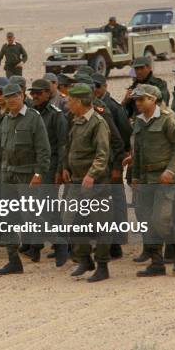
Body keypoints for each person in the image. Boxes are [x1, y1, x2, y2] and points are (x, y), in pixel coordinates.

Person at [129, 84, 175, 277]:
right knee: (145, 219)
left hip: (163, 178)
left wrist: (171, 170)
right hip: (145, 179)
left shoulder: (167, 119)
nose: (138, 103)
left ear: (153, 99)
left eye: (142, 99)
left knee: (160, 219)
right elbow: (137, 152)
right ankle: (156, 262)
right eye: (136, 100)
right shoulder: (139, 122)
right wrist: (135, 176)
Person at [0, 83, 51, 275]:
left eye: (14, 96)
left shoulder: (34, 119)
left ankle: (57, 242)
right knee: (7, 217)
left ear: (22, 96)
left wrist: (38, 174)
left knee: (31, 216)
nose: (10, 100)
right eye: (7, 97)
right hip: (8, 174)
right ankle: (13, 260)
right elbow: (3, 149)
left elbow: (43, 150)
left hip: (27, 175)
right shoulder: (6, 120)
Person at [62, 83, 112, 282]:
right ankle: (84, 259)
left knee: (101, 224)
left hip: (95, 182)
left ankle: (102, 265)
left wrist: (92, 174)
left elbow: (103, 154)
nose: (67, 104)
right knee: (70, 221)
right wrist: (66, 166)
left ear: (80, 102)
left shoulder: (98, 123)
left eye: (70, 101)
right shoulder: (77, 121)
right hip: (76, 181)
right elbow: (72, 148)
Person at [28, 78, 69, 266]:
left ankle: (61, 246)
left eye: (38, 92)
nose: (34, 96)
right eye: (32, 93)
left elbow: (62, 145)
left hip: (50, 166)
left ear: (47, 93)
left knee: (49, 209)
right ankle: (34, 247)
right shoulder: (31, 113)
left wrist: (60, 170)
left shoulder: (56, 115)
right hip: (33, 165)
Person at [92, 72, 132, 258]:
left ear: (105, 87)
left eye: (97, 86)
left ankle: (117, 242)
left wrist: (118, 165)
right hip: (99, 165)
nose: (95, 90)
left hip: (112, 163)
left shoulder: (112, 108)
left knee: (115, 203)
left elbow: (123, 136)